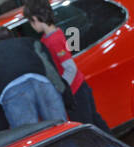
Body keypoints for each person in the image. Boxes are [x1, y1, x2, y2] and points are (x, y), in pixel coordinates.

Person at [24, 0, 109, 131]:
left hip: (76, 92)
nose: (31, 26)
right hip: (78, 88)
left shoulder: (54, 40)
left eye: (30, 22)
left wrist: (61, 90)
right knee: (94, 123)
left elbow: (70, 68)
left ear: (35, 18)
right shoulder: (50, 37)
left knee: (85, 130)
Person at [0, 26, 68, 132]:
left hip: (14, 93)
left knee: (31, 139)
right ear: (13, 37)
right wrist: (61, 88)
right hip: (43, 84)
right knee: (61, 131)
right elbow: (47, 68)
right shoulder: (27, 42)